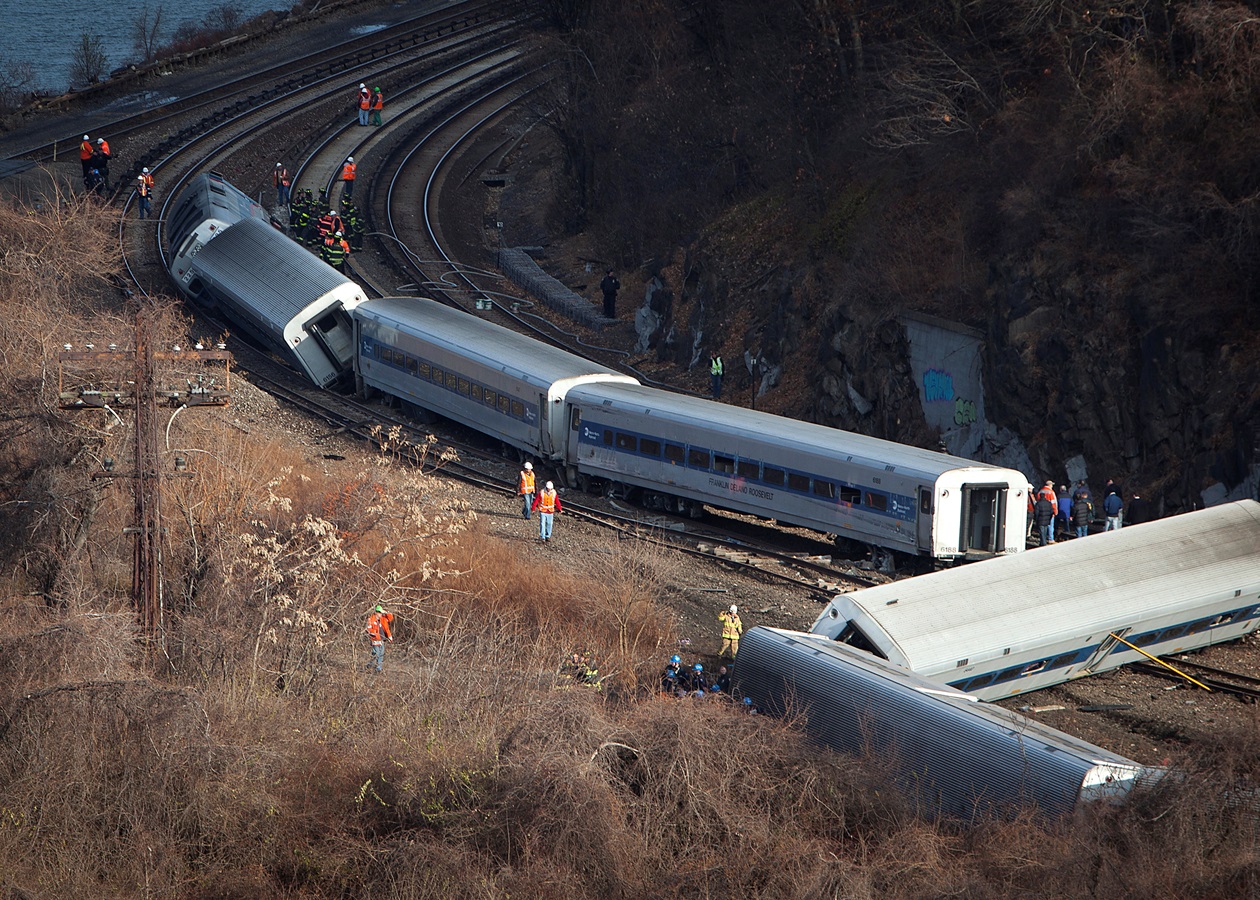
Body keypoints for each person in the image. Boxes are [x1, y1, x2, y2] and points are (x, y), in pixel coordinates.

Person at [364, 604, 394, 672]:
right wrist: (374, 634)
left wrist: (386, 612)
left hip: (382, 639)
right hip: (374, 639)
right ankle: (370, 665)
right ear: (376, 612)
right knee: (376, 654)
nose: (381, 614)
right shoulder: (371, 619)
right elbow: (368, 629)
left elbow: (390, 618)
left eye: (381, 613)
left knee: (381, 654)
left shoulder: (383, 619)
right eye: (380, 612)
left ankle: (378, 668)